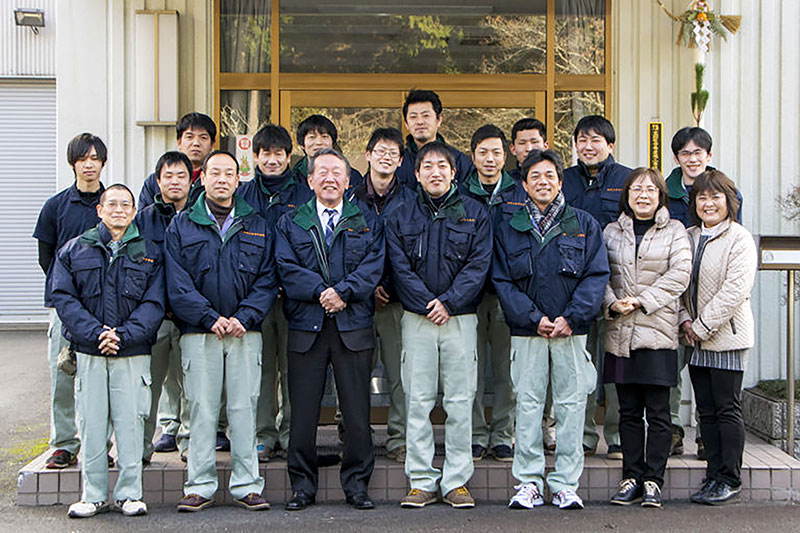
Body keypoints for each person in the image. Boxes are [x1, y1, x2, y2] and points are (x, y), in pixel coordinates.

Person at [493, 149, 608, 511]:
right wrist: (532, 317)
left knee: (571, 407)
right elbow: (502, 279)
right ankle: (527, 481)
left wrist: (570, 317)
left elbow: (596, 275)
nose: (543, 182)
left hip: (570, 332)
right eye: (535, 177)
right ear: (524, 185)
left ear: (560, 181)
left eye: (549, 176)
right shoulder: (509, 225)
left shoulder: (584, 223)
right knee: (526, 405)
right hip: (528, 332)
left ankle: (564, 484)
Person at [166, 151, 277, 512]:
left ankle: (247, 484)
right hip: (200, 333)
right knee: (201, 409)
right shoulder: (181, 225)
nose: (222, 179)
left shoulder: (257, 222)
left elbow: (267, 278)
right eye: (215, 173)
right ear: (203, 178)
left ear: (238, 179)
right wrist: (209, 317)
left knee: (245, 408)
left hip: (246, 332)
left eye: (229, 173)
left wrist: (244, 316)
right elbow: (177, 283)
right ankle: (199, 484)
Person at [276, 148, 385, 511]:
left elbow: (373, 266)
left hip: (352, 326)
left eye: (337, 172)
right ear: (309, 180)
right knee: (303, 414)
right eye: (321, 172)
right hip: (307, 326)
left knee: (356, 414)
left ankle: (356, 485)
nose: (329, 178)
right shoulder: (291, 222)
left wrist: (344, 292)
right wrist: (320, 292)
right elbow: (286, 267)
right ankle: (302, 486)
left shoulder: (366, 220)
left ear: (348, 180)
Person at [386, 141, 492, 509]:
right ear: (416, 174)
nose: (435, 172)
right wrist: (428, 304)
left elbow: (478, 267)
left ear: (453, 173)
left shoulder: (475, 214)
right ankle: (421, 480)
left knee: (460, 402)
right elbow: (398, 267)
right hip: (416, 319)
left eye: (442, 166)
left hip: (460, 319)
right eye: (427, 166)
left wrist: (448, 301)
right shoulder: (399, 214)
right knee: (418, 400)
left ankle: (456, 481)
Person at [52, 184, 165, 518]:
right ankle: (94, 494)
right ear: (99, 210)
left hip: (132, 352)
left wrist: (124, 335)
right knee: (91, 422)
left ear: (134, 212)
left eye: (126, 205)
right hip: (90, 351)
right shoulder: (75, 250)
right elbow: (63, 297)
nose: (119, 209)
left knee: (131, 422)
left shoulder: (150, 251)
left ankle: (130, 494)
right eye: (111, 204)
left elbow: (155, 302)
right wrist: (96, 333)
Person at [602, 168, 691, 508]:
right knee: (627, 411)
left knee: (658, 413)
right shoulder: (611, 232)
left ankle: (653, 480)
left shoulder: (675, 230)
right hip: (620, 333)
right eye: (636, 189)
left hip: (658, 333)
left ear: (660, 196)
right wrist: (612, 302)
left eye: (650, 190)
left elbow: (680, 274)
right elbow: (601, 273)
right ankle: (630, 476)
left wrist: (641, 301)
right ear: (626, 195)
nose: (642, 195)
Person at [665, 126, 743, 457]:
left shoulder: (723, 189)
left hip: (716, 310)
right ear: (676, 157)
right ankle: (673, 430)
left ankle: (706, 439)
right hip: (676, 298)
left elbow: (734, 249)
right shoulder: (665, 191)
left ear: (708, 156)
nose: (692, 158)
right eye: (685, 153)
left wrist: (704, 321)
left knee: (716, 391)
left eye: (698, 152)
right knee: (674, 367)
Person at [238, 124, 313, 463]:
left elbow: (311, 245)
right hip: (255, 299)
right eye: (265, 154)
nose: (272, 160)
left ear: (288, 157)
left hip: (295, 298)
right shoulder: (243, 196)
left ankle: (291, 433)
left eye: (278, 154)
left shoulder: (303, 194)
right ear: (255, 156)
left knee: (294, 369)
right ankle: (263, 434)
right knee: (262, 369)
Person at [681, 170, 756, 506]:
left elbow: (734, 291)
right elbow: (679, 285)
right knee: (705, 411)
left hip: (726, 336)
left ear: (729, 202)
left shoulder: (738, 238)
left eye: (715, 197)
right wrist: (685, 321)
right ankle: (713, 474)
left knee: (726, 408)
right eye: (701, 197)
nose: (708, 203)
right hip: (693, 336)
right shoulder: (689, 236)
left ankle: (730, 477)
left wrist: (702, 326)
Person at [33, 132, 107, 470]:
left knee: (100, 380)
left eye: (94, 158)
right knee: (63, 373)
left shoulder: (113, 203)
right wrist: (69, 290)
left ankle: (99, 443)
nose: (89, 164)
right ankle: (64, 443)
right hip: (65, 305)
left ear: (103, 163)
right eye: (83, 159)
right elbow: (45, 257)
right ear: (73, 163)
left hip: (105, 306)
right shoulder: (55, 206)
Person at [562, 115, 632, 459]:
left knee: (614, 363)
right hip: (574, 286)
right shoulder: (564, 180)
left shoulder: (627, 180)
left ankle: (616, 436)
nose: (588, 146)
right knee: (579, 364)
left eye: (596, 140)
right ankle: (584, 434)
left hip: (617, 284)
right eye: (582, 140)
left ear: (610, 145)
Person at [348, 127, 415, 463]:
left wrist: (387, 283)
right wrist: (365, 284)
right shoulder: (350, 198)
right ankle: (354, 435)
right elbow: (342, 248)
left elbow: (412, 250)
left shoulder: (411, 200)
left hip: (395, 300)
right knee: (354, 372)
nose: (386, 157)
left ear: (401, 161)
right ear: (368, 155)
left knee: (399, 373)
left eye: (393, 153)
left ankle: (399, 438)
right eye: (380, 151)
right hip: (357, 301)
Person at [460, 124, 525, 462]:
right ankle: (474, 433)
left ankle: (502, 433)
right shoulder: (460, 192)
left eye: (496, 152)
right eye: (483, 152)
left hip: (506, 294)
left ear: (506, 155)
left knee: (505, 369)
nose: (490, 159)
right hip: (468, 296)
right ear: (473, 157)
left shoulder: (519, 191)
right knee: (470, 369)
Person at [135, 151, 193, 462]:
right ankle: (141, 448)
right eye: (168, 176)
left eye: (180, 176)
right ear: (158, 182)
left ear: (190, 181)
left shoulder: (200, 216)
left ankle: (188, 444)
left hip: (190, 318)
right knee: (149, 387)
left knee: (191, 388)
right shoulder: (143, 219)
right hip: (154, 318)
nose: (174, 182)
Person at [394, 90, 474, 188]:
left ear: (439, 120)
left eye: (426, 115)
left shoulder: (459, 161)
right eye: (413, 117)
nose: (419, 122)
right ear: (406, 124)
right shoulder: (397, 162)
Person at [138, 112, 216, 208]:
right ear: (179, 142)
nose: (196, 143)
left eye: (203, 137)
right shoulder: (154, 181)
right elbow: (144, 218)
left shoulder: (216, 180)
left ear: (212, 145)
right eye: (189, 137)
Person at [291, 114, 363, 191]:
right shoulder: (294, 178)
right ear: (302, 145)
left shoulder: (352, 176)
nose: (319, 142)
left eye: (324, 136)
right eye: (312, 137)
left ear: (333, 143)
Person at [508, 118, 548, 183]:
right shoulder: (507, 182)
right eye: (522, 143)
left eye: (534, 142)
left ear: (545, 146)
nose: (529, 149)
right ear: (513, 149)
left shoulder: (559, 180)